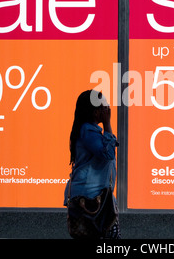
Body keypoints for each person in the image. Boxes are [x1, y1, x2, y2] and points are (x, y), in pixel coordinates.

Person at [64, 89, 121, 239]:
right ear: (95, 111)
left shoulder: (92, 132)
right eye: (104, 106)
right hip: (90, 199)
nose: (107, 109)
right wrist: (108, 124)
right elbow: (107, 154)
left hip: (99, 197)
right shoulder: (87, 132)